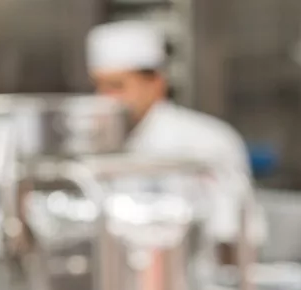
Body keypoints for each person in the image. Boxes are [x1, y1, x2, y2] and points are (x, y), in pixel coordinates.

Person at [87, 20, 267, 259]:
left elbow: (236, 236)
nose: (106, 99)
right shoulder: (97, 145)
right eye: (99, 87)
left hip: (194, 287)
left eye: (116, 86)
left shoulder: (207, 141)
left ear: (156, 83)